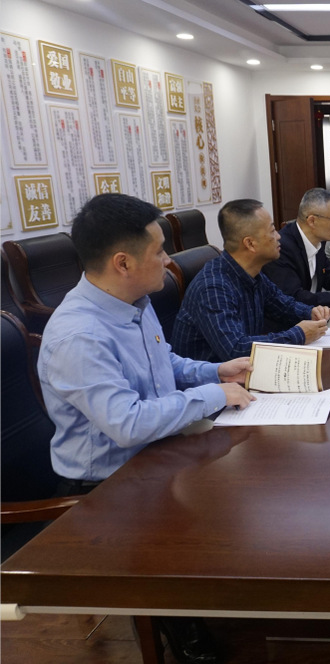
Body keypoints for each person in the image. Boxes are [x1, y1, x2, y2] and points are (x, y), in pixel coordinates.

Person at [37, 193, 254, 664]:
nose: (168, 260)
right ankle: (185, 630)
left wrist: (216, 372)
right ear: (123, 263)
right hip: (105, 488)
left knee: (253, 485)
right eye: (159, 251)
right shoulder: (80, 336)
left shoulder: (133, 300)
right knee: (228, 514)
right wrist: (214, 396)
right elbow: (128, 423)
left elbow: (163, 363)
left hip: (156, 455)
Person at [172, 199, 330, 362]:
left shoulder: (253, 274)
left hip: (243, 371)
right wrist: (299, 334)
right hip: (214, 375)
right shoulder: (213, 288)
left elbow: (283, 306)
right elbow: (235, 349)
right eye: (272, 231)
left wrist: (310, 312)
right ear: (250, 243)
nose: (278, 236)